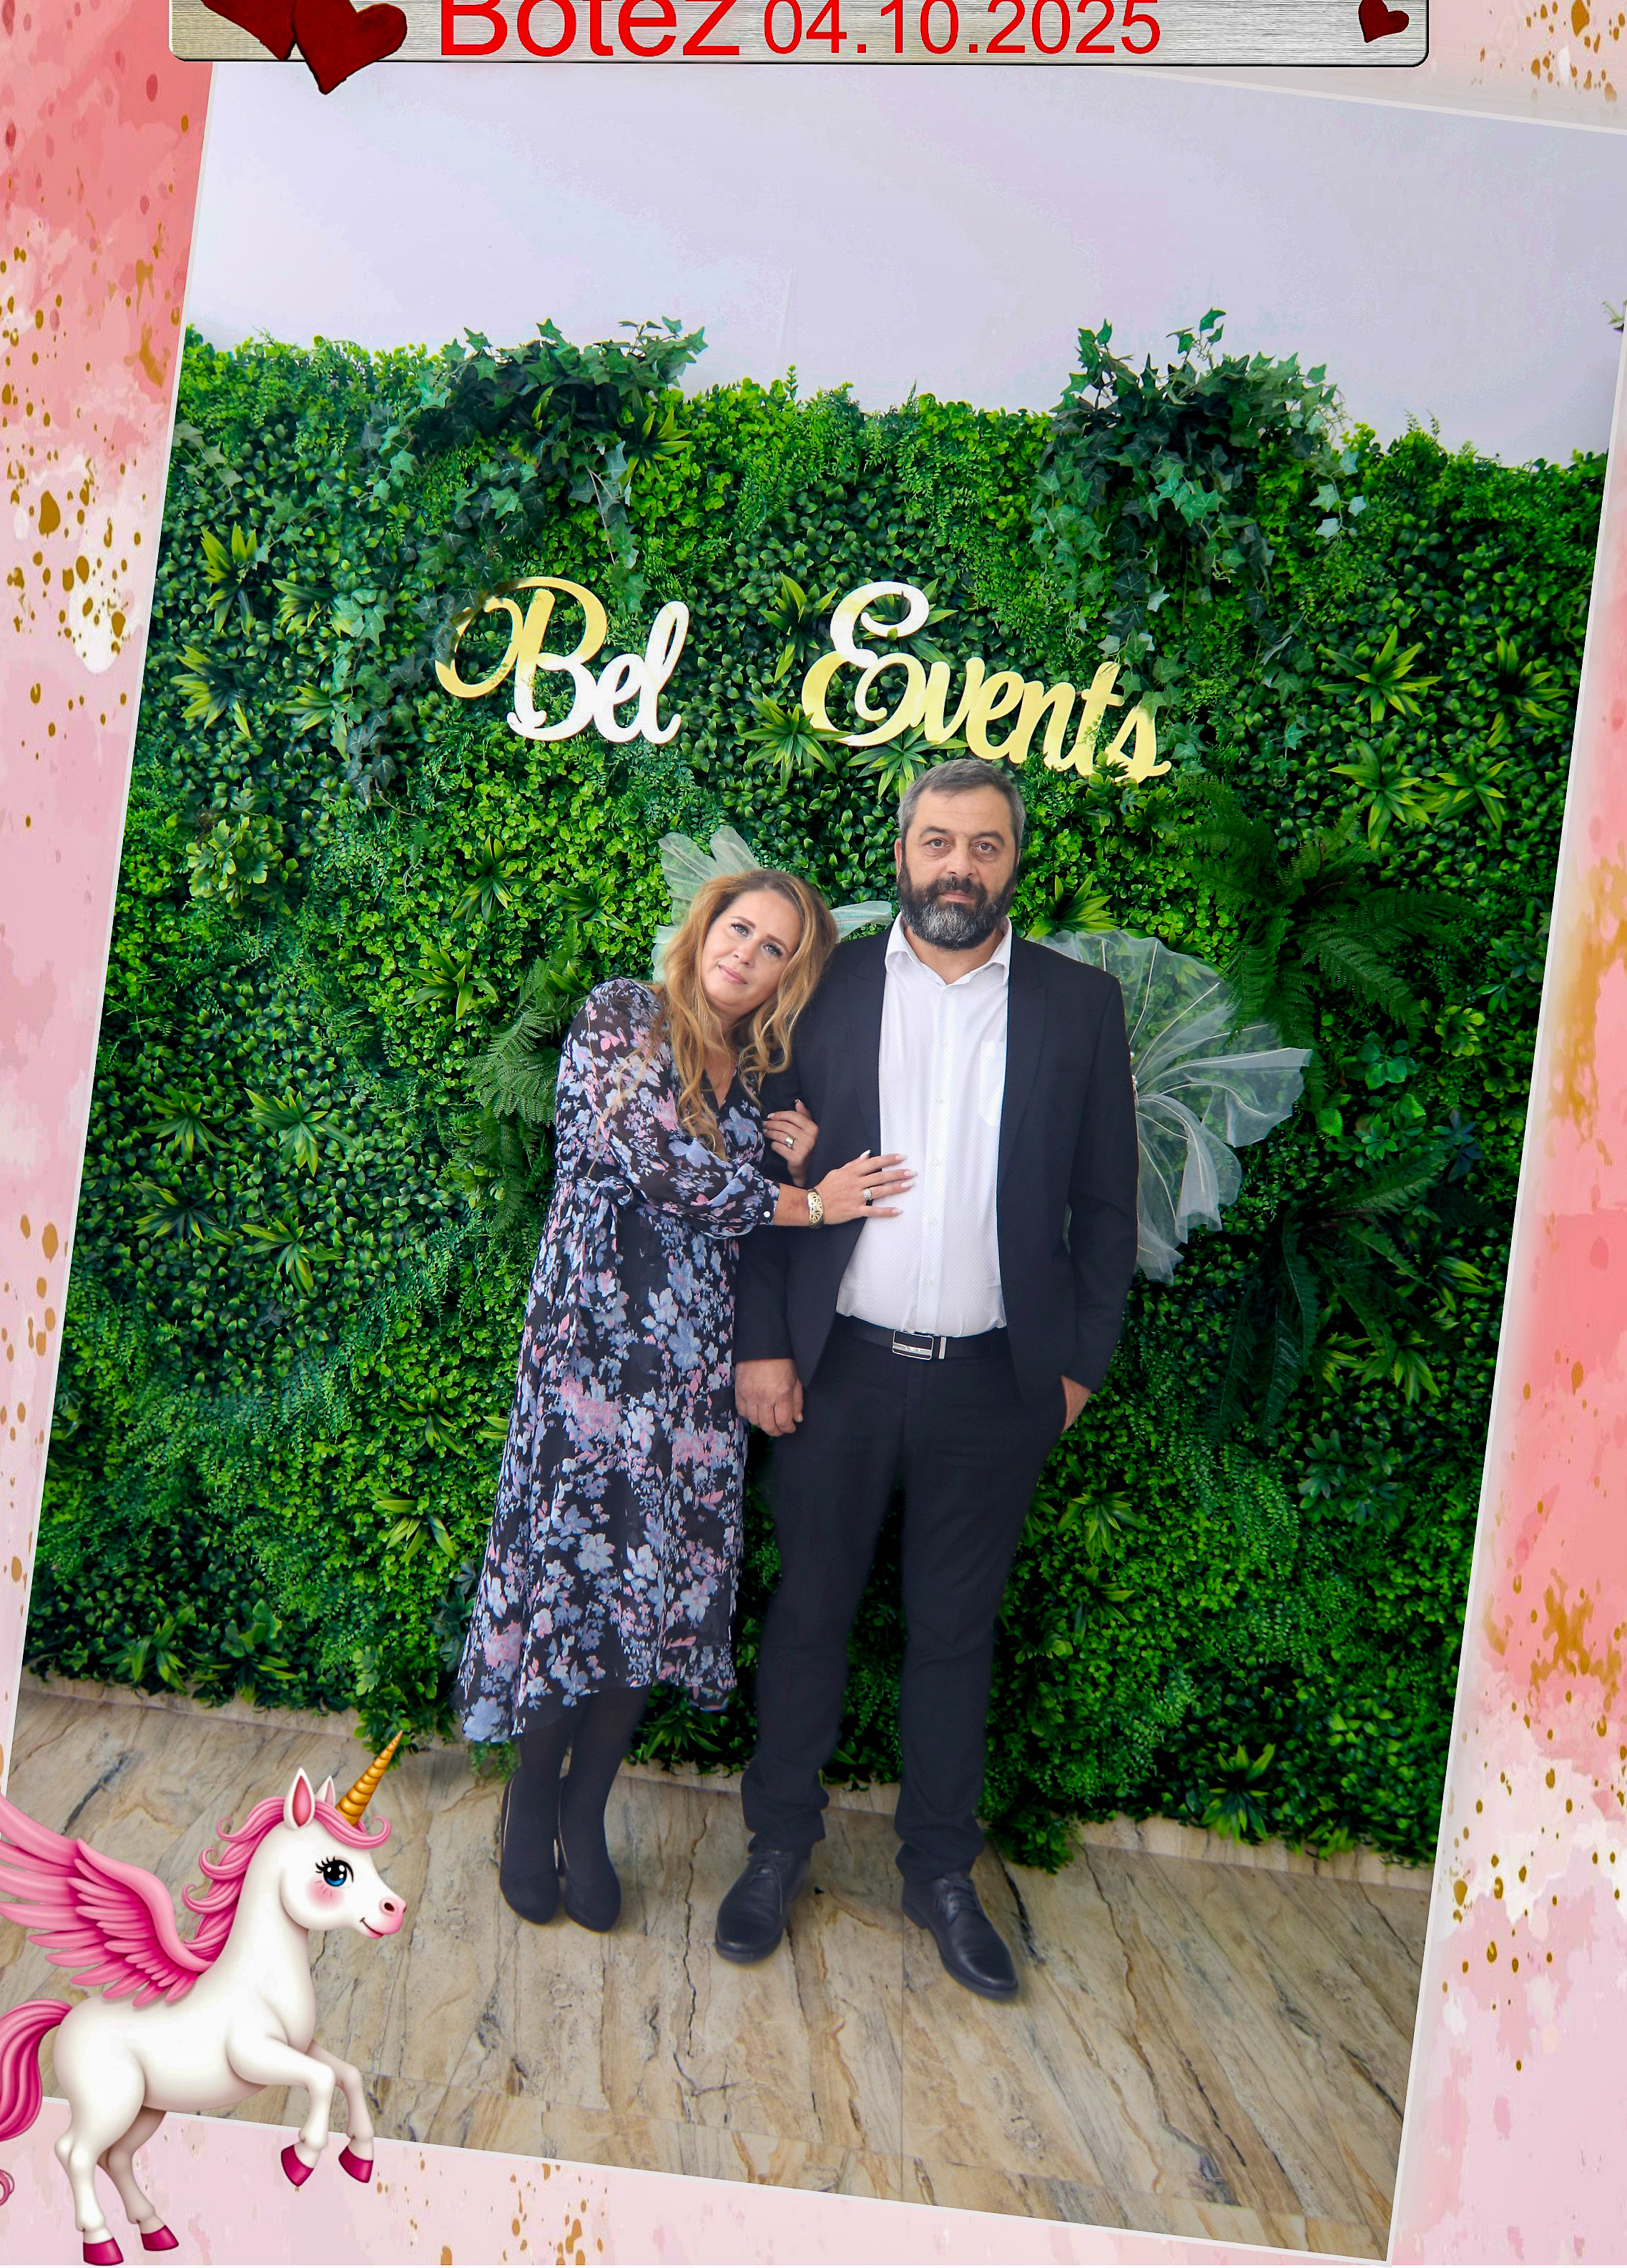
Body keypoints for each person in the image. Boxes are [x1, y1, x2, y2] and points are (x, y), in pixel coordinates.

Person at [717, 758, 1139, 1999]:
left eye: (985, 846)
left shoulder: (1078, 1005)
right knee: (809, 1617)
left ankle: (941, 1872)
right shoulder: (826, 981)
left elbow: (1109, 1205)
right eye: (939, 842)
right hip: (836, 1370)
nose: (960, 866)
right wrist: (762, 1344)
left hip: (995, 1385)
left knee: (956, 1635)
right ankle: (776, 1847)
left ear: (1015, 863)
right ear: (902, 852)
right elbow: (759, 1174)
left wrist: (1078, 1369)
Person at [453, 869, 913, 1934]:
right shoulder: (622, 1015)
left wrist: (793, 1155)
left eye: (773, 948)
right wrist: (809, 1199)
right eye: (738, 929)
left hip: (694, 1372)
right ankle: (530, 1808)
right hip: (590, 1357)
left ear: (790, 977)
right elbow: (664, 1168)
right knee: (574, 1576)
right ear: (705, 927)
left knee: (649, 1586)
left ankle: (586, 1812)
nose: (744, 954)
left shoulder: (755, 1081)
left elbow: (738, 1218)